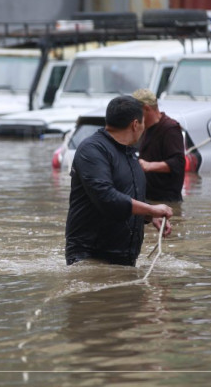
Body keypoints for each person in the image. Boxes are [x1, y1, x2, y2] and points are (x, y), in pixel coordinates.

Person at [65, 95, 173, 267]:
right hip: (90, 257)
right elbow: (106, 197)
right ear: (135, 124)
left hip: (124, 259)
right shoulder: (93, 150)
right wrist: (151, 208)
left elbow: (125, 195)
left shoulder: (129, 153)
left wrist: (149, 215)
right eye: (143, 123)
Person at [132, 88, 186, 202]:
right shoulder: (144, 128)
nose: (134, 118)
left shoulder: (170, 128)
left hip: (166, 201)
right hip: (147, 198)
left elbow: (179, 163)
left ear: (146, 108)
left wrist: (149, 166)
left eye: (136, 113)